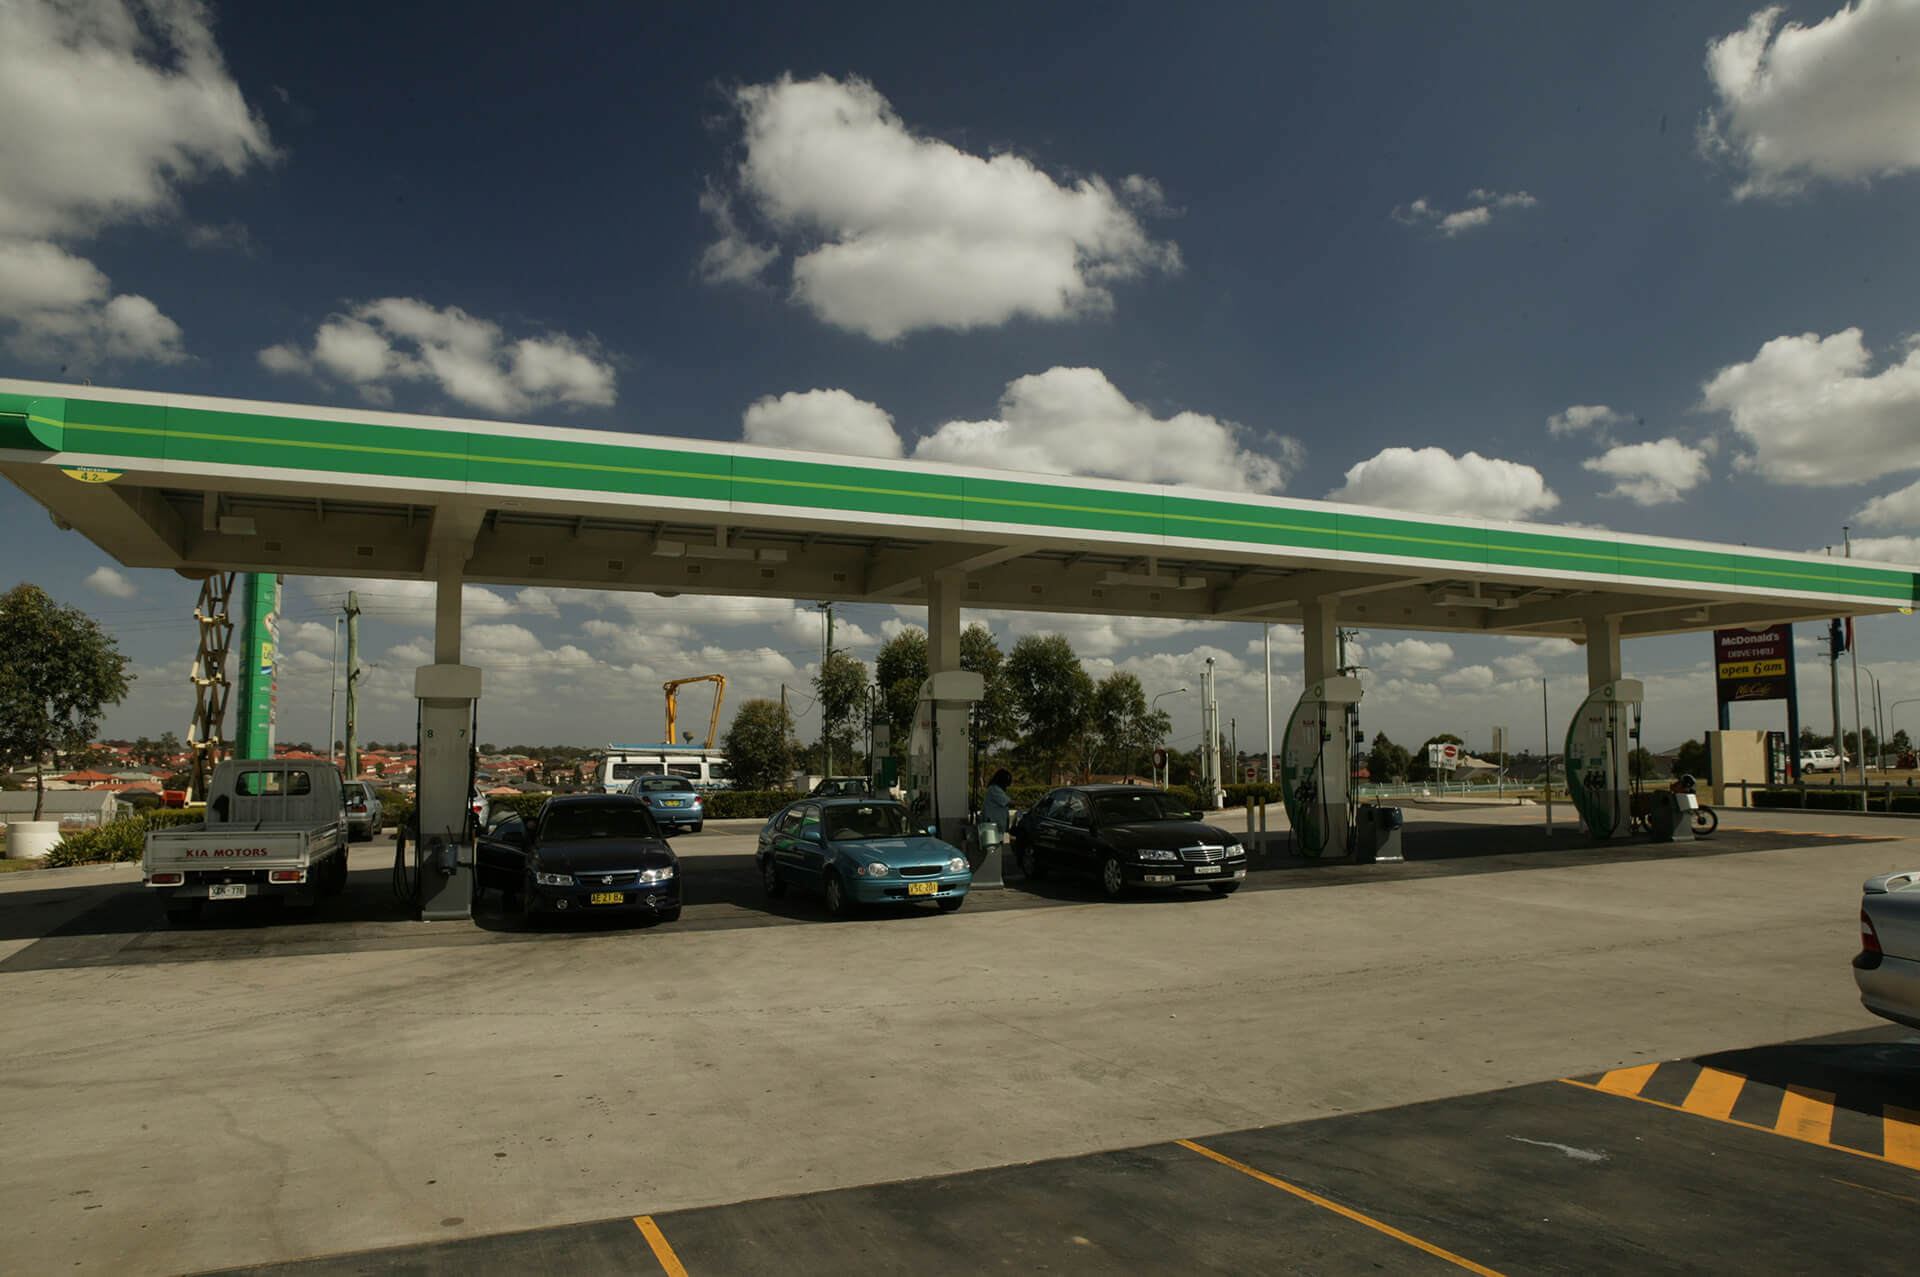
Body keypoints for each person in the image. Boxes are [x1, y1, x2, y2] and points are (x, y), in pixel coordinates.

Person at [981, 768, 1013, 839]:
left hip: (997, 827)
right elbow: (1008, 802)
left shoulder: (996, 789)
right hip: (992, 826)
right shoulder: (994, 789)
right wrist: (1030, 804)